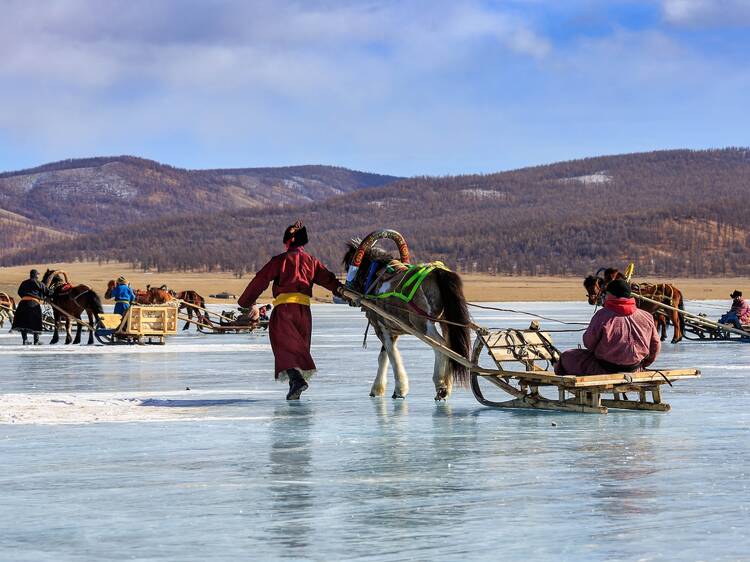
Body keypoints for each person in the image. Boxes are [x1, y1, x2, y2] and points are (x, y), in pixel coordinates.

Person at [238, 220, 346, 400]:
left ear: (288, 241)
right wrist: (344, 292)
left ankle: (296, 381)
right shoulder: (312, 262)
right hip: (304, 313)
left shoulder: (279, 261)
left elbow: (260, 280)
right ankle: (294, 389)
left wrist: (246, 301)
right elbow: (329, 280)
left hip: (284, 311)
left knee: (284, 347)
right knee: (299, 348)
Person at [555, 279, 660, 375]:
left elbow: (588, 343)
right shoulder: (647, 316)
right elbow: (655, 345)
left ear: (612, 295)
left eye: (606, 294)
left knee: (566, 356)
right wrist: (643, 364)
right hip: (635, 368)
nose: (605, 297)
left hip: (604, 369)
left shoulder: (602, 315)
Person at [12, 269, 50, 345]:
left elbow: (19, 292)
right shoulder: (39, 283)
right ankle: (36, 341)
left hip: (22, 303)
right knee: (36, 321)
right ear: (36, 275)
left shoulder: (24, 283)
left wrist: (25, 297)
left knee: (23, 322)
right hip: (33, 304)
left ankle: (25, 340)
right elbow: (47, 292)